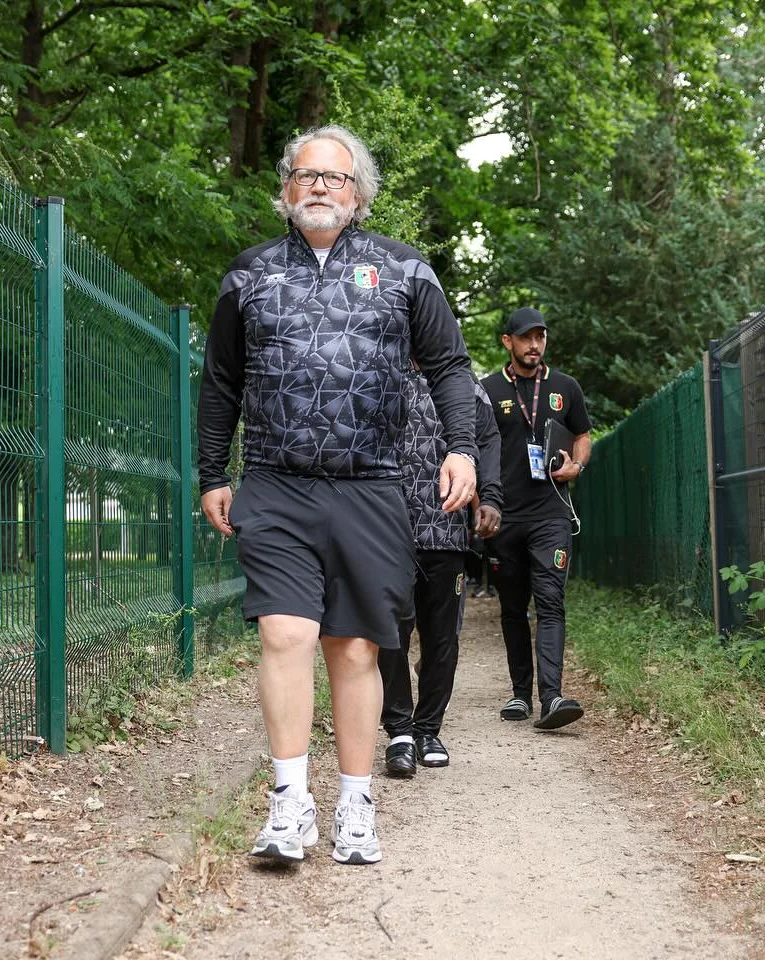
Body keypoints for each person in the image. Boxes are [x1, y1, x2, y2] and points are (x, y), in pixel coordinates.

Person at [197, 125, 478, 865]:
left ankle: (356, 803)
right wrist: (211, 473)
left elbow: (450, 364)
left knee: (354, 647)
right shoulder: (249, 276)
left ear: (359, 197)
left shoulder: (404, 270)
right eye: (306, 174)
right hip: (277, 483)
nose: (321, 186)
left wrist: (461, 448)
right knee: (284, 634)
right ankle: (290, 805)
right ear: (286, 190)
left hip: (372, 486)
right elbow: (222, 380)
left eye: (337, 177)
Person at [379, 371, 502, 776]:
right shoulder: (381, 364)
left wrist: (492, 498)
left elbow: (486, 439)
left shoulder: (462, 383)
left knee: (441, 636)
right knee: (390, 632)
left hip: (446, 530)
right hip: (386, 528)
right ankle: (398, 731)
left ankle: (428, 729)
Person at [480, 307, 592, 730]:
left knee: (550, 602)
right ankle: (519, 694)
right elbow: (472, 447)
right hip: (504, 515)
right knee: (512, 607)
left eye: (540, 337)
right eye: (526, 338)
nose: (534, 345)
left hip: (551, 514)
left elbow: (582, 436)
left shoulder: (565, 387)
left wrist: (576, 467)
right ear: (508, 342)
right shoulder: (487, 390)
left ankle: (552, 697)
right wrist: (479, 506)